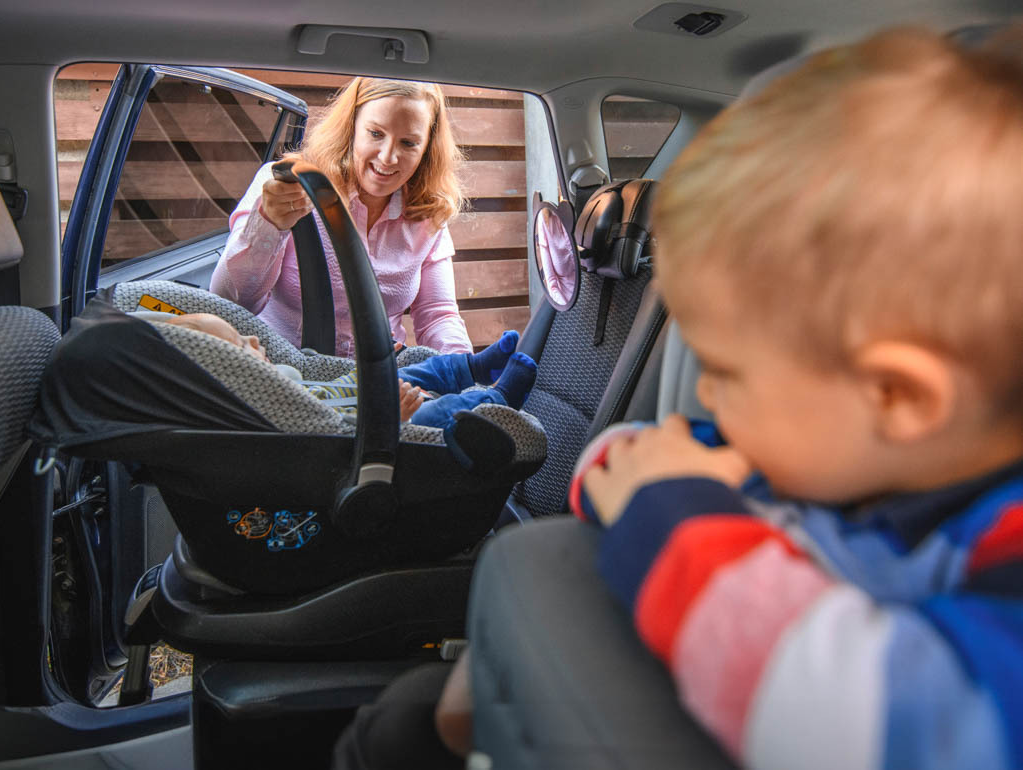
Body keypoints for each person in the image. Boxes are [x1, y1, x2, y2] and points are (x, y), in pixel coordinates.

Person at [409, 25, 1023, 770]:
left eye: (727, 374)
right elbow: (633, 466)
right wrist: (643, 470)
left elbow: (858, 721)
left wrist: (672, 514)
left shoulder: (1003, 567)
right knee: (408, 717)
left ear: (898, 395)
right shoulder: (851, 455)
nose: (706, 398)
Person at [209, 77, 472, 357]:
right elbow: (229, 301)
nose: (388, 157)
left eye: (408, 143)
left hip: (377, 381)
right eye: (375, 133)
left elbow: (437, 315)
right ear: (352, 128)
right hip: (284, 371)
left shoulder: (427, 213)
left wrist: (463, 372)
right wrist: (268, 225)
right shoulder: (287, 186)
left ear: (427, 148)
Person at [154, 312, 535, 430]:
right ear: (230, 380)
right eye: (241, 345)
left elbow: (323, 382)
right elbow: (337, 440)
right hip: (378, 423)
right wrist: (393, 420)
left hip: (357, 391)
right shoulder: (263, 415)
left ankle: (473, 365)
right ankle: (496, 400)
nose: (254, 338)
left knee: (415, 368)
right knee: (435, 413)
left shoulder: (274, 382)